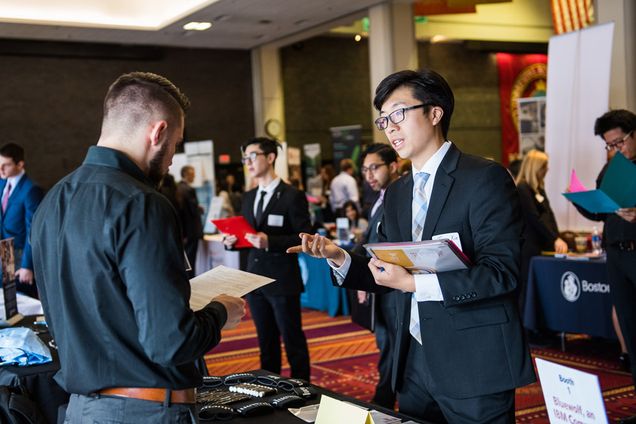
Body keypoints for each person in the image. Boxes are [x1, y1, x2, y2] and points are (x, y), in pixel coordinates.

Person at [289, 69, 535, 423]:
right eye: (383, 119)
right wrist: (339, 256)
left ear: (435, 113)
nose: (389, 127)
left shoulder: (483, 179)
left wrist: (413, 283)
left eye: (399, 114)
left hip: (474, 358)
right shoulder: (398, 191)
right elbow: (386, 271)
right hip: (413, 358)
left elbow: (502, 272)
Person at [31, 72, 246, 423]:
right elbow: (170, 343)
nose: (173, 159)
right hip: (142, 410)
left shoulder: (52, 201)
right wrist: (220, 312)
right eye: (175, 144)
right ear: (157, 132)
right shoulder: (142, 203)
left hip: (79, 409)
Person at [223, 137, 311, 380]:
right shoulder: (248, 197)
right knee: (266, 341)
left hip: (282, 280)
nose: (247, 162)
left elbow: (304, 238)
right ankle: (269, 387)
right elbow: (247, 236)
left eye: (252, 156)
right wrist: (233, 243)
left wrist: (270, 241)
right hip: (253, 280)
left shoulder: (292, 196)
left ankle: (304, 387)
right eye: (245, 158)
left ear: (270, 158)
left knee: (292, 339)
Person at [571, 109, 636, 424]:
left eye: (620, 142)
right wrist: (581, 199)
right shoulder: (611, 169)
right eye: (610, 145)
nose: (616, 150)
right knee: (630, 328)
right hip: (616, 256)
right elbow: (600, 213)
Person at [354, 142, 399, 409]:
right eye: (365, 170)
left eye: (374, 168)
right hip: (379, 284)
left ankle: (383, 400)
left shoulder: (399, 197)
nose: (369, 175)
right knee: (386, 344)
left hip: (394, 285)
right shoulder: (379, 199)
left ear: (393, 166)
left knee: (391, 346)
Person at [515, 149, 568, 313]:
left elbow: (549, 214)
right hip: (529, 249)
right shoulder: (523, 189)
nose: (547, 170)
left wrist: (557, 237)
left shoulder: (539, 189)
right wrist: (554, 239)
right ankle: (528, 330)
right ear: (535, 167)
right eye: (544, 166)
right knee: (528, 288)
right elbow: (534, 218)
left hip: (542, 246)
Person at [0, 143, 43, 298]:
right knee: (5, 303)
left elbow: (33, 229)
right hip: (4, 251)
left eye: (6, 165)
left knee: (21, 300)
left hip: (19, 254)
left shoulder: (31, 190)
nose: (1, 170)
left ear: (20, 164)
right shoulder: (2, 183)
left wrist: (27, 265)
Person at [178, 165, 204, 277]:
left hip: (183, 230)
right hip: (192, 230)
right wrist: (199, 209)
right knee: (191, 260)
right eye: (192, 173)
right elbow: (193, 210)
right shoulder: (189, 189)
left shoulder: (178, 188)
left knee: (186, 260)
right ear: (186, 174)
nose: (194, 176)